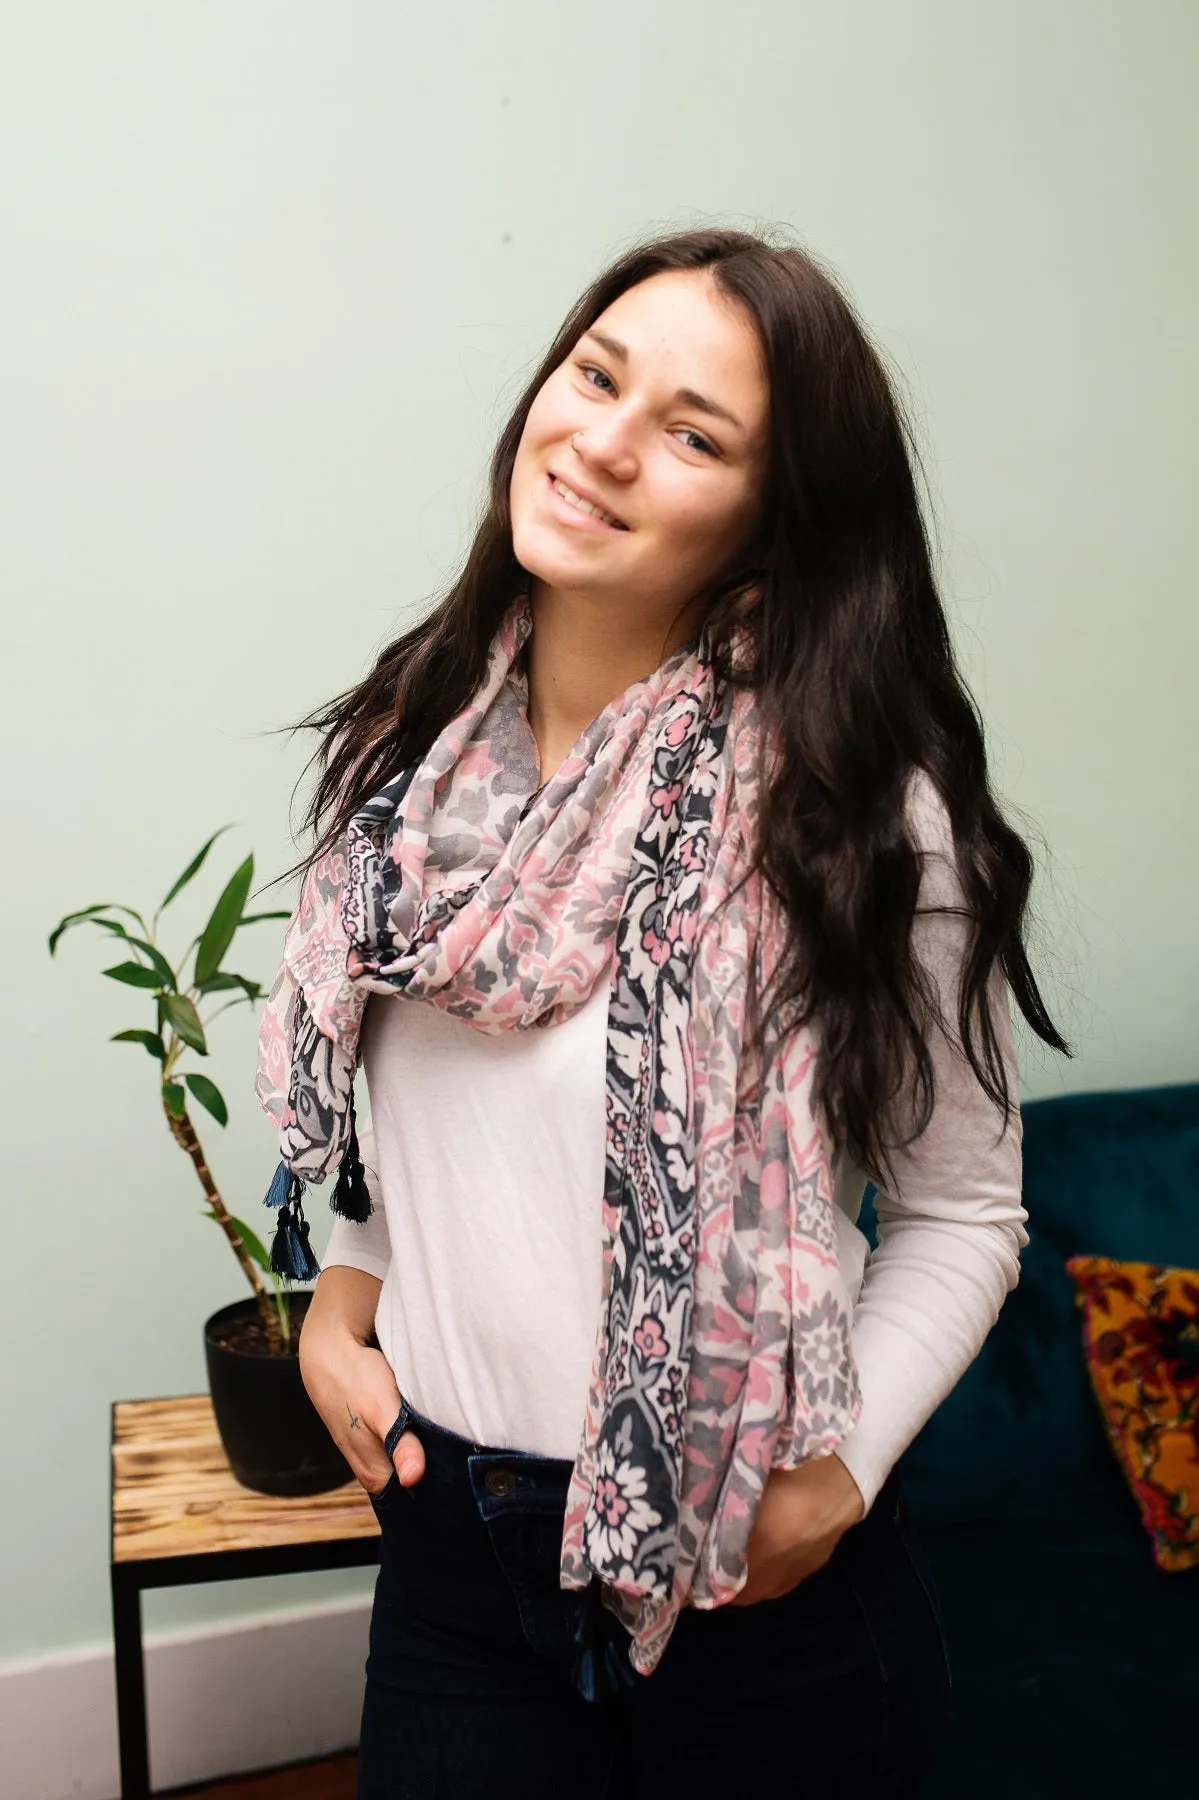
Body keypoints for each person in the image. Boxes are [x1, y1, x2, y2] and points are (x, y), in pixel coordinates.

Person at [255, 225, 1071, 1800]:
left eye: (693, 433)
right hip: (451, 1559)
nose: (605, 442)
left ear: (775, 520)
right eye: (595, 375)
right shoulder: (405, 761)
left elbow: (963, 1211)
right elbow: (420, 1131)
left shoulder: (859, 821)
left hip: (751, 1597)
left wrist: (832, 1480)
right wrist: (341, 1297)